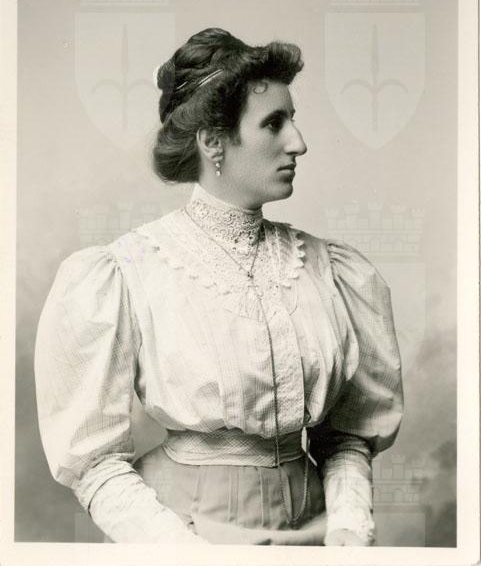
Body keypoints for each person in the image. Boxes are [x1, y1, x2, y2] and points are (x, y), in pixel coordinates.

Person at [34, 28, 404, 546]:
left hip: (316, 529)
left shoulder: (331, 270)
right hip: (181, 532)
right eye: (273, 123)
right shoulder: (129, 270)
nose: (298, 142)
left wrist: (348, 525)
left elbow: (347, 437)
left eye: (292, 119)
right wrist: (182, 552)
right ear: (213, 142)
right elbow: (92, 462)